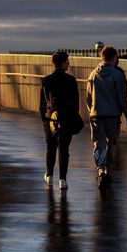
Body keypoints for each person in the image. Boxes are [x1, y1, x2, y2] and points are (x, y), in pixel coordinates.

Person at [86, 46, 127, 189]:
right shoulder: (118, 75)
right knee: (111, 142)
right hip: (112, 115)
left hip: (96, 114)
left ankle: (100, 170)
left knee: (99, 143)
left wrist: (92, 110)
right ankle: (108, 170)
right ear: (115, 58)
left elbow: (88, 98)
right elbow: (122, 99)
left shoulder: (93, 74)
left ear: (102, 57)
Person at [40, 51, 79, 190]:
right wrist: (74, 117)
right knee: (64, 148)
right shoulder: (71, 80)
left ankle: (49, 175)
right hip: (67, 117)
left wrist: (45, 120)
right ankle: (62, 179)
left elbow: (43, 104)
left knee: (51, 146)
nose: (69, 63)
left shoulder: (47, 80)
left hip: (51, 118)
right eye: (67, 61)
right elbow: (75, 103)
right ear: (63, 63)